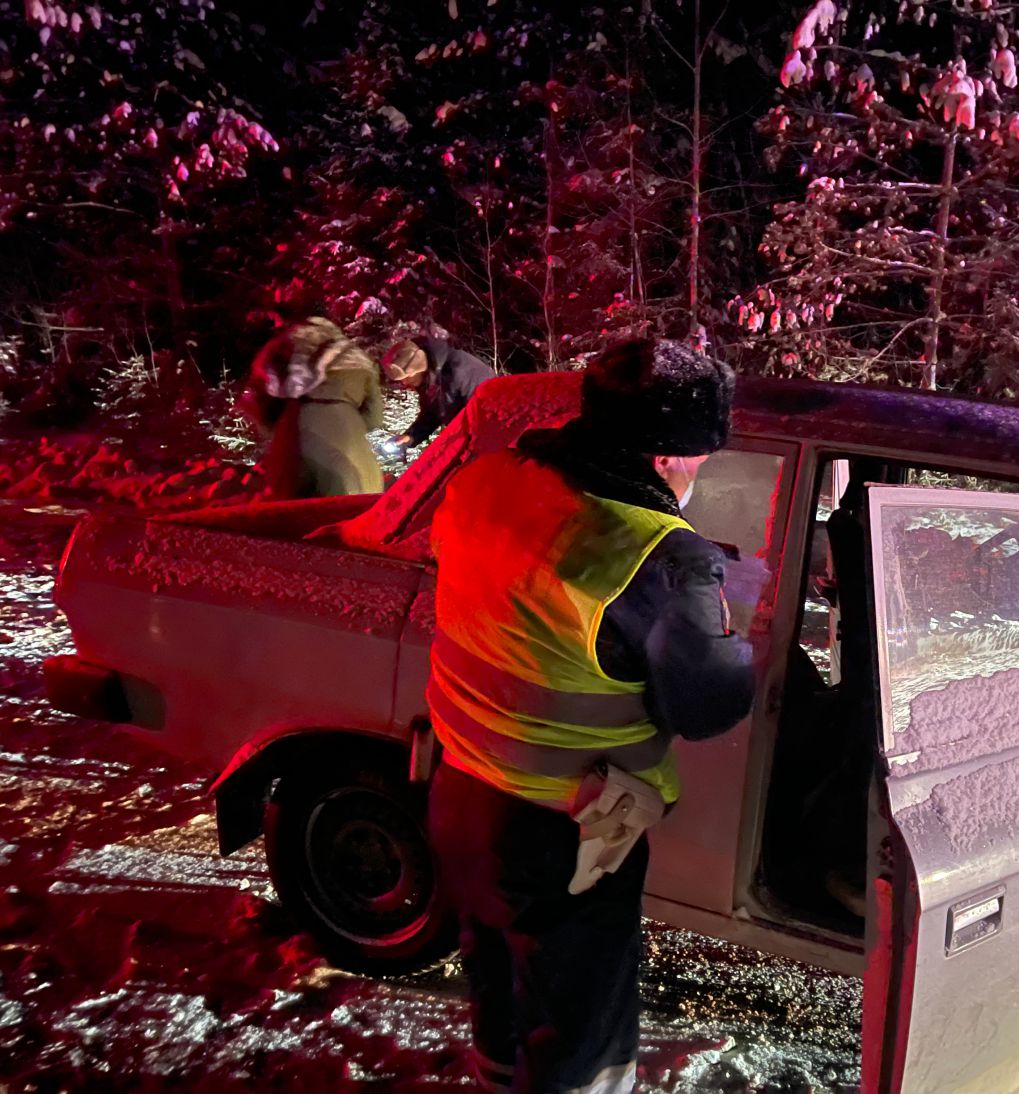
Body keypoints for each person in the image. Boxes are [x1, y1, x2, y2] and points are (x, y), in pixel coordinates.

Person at [425, 337, 755, 1093]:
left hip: (457, 787)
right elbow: (705, 707)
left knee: (499, 971)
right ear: (671, 456)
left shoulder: (486, 480)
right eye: (701, 455)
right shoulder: (662, 557)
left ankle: (496, 1076)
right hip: (567, 828)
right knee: (580, 1023)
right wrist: (744, 638)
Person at [238, 317, 384, 498]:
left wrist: (276, 431)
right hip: (346, 428)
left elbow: (255, 403)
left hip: (293, 430)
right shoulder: (356, 356)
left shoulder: (277, 351)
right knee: (354, 502)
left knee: (295, 507)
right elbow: (374, 416)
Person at [382, 336, 496, 449]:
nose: (404, 383)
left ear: (417, 369)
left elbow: (485, 410)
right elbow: (432, 414)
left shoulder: (458, 369)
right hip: (470, 438)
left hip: (493, 432)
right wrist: (410, 436)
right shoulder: (430, 379)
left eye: (406, 378)